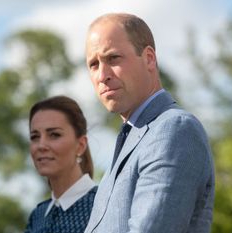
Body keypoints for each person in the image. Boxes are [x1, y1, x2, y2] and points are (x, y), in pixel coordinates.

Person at [84, 13, 215, 233]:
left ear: (149, 58)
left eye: (113, 58)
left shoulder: (174, 129)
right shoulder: (128, 143)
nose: (102, 75)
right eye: (94, 64)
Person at [24, 95, 97, 233]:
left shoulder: (103, 205)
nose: (41, 145)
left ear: (81, 145)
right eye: (35, 137)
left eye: (54, 135)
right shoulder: (37, 216)